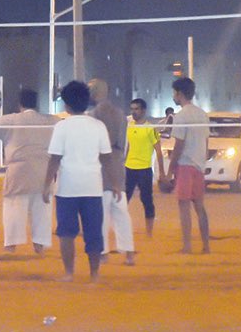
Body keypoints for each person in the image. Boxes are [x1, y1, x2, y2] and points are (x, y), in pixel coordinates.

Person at [43, 81, 113, 282]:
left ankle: (69, 273)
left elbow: (54, 159)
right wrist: (113, 183)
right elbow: (107, 158)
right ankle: (94, 274)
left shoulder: (62, 127)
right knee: (94, 232)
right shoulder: (98, 126)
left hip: (67, 189)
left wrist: (46, 185)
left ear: (66, 104)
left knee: (66, 233)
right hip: (93, 187)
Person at [0, 88, 54, 254]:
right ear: (36, 103)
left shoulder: (12, 120)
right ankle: (39, 247)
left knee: (14, 208)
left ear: (20, 103)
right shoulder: (51, 121)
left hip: (18, 172)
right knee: (42, 210)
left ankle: (11, 246)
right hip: (43, 171)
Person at [89, 79, 135, 266]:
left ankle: (103, 253)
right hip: (117, 164)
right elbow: (124, 144)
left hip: (100, 165)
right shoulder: (120, 114)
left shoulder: (93, 115)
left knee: (100, 213)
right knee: (121, 211)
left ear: (94, 92)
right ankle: (129, 253)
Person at [165, 77, 210, 254]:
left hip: (185, 165)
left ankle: (187, 246)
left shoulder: (181, 116)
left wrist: (170, 170)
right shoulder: (202, 114)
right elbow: (206, 141)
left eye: (174, 93)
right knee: (200, 207)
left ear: (179, 93)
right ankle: (206, 246)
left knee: (184, 207)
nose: (173, 96)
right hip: (199, 165)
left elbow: (179, 145)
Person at [125, 98, 166, 237]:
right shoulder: (130, 126)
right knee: (123, 200)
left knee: (147, 200)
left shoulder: (150, 128)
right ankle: (122, 230)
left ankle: (149, 232)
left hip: (144, 169)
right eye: (132, 109)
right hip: (129, 168)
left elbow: (159, 151)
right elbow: (128, 147)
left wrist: (162, 173)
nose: (134, 112)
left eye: (136, 109)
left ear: (143, 110)